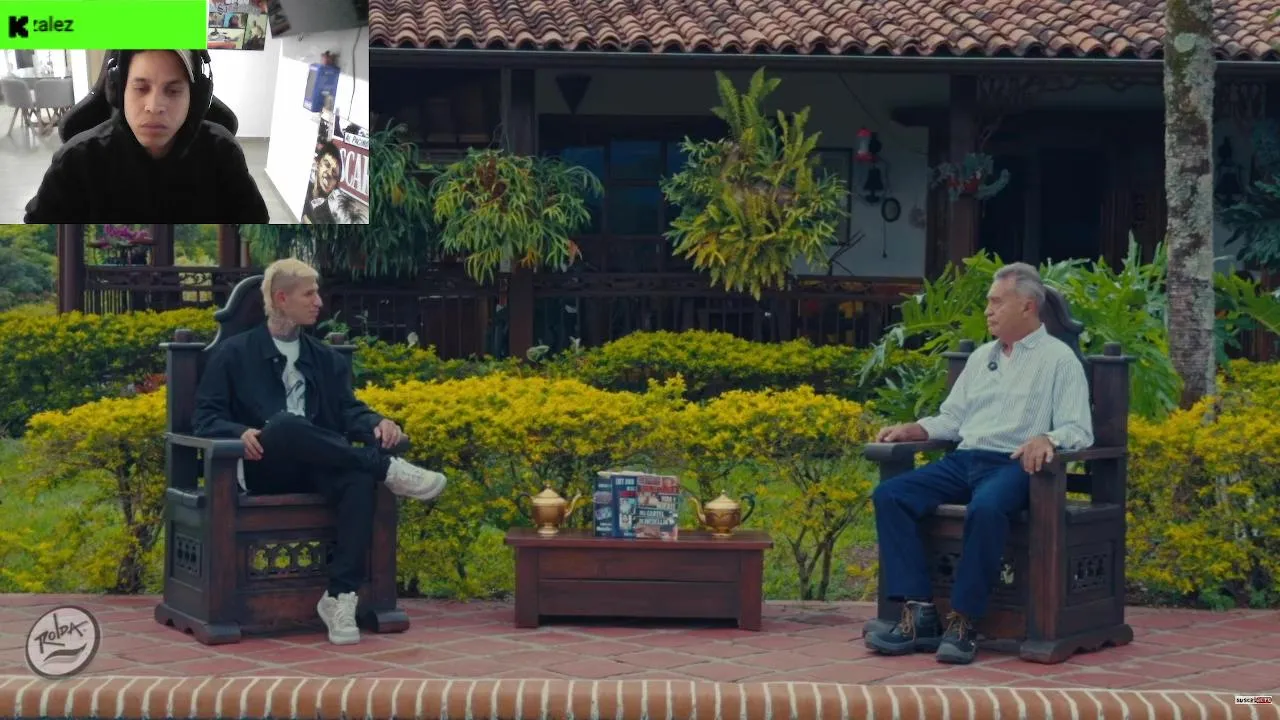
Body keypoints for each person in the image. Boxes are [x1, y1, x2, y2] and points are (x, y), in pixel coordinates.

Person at [192, 258, 446, 646]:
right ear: (281, 298)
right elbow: (205, 418)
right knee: (285, 425)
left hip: (319, 466)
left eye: (317, 293)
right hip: (263, 468)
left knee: (358, 480)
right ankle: (385, 468)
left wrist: (377, 422)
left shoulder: (324, 357)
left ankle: (340, 597)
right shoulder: (234, 353)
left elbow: (348, 410)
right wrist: (239, 432)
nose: (319, 302)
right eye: (309, 294)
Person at [864, 262, 1093, 665]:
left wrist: (1048, 439)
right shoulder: (981, 357)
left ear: (1027, 306)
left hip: (1014, 464)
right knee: (891, 495)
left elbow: (1079, 429)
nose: (988, 310)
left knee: (986, 508)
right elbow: (952, 420)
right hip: (965, 459)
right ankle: (920, 613)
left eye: (996, 302)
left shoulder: (1059, 360)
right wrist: (916, 428)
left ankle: (964, 621)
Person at [24, 49, 269, 223]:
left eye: (173, 91)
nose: (154, 106)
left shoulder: (222, 154)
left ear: (195, 99)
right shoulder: (76, 161)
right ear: (119, 90)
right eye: (141, 88)